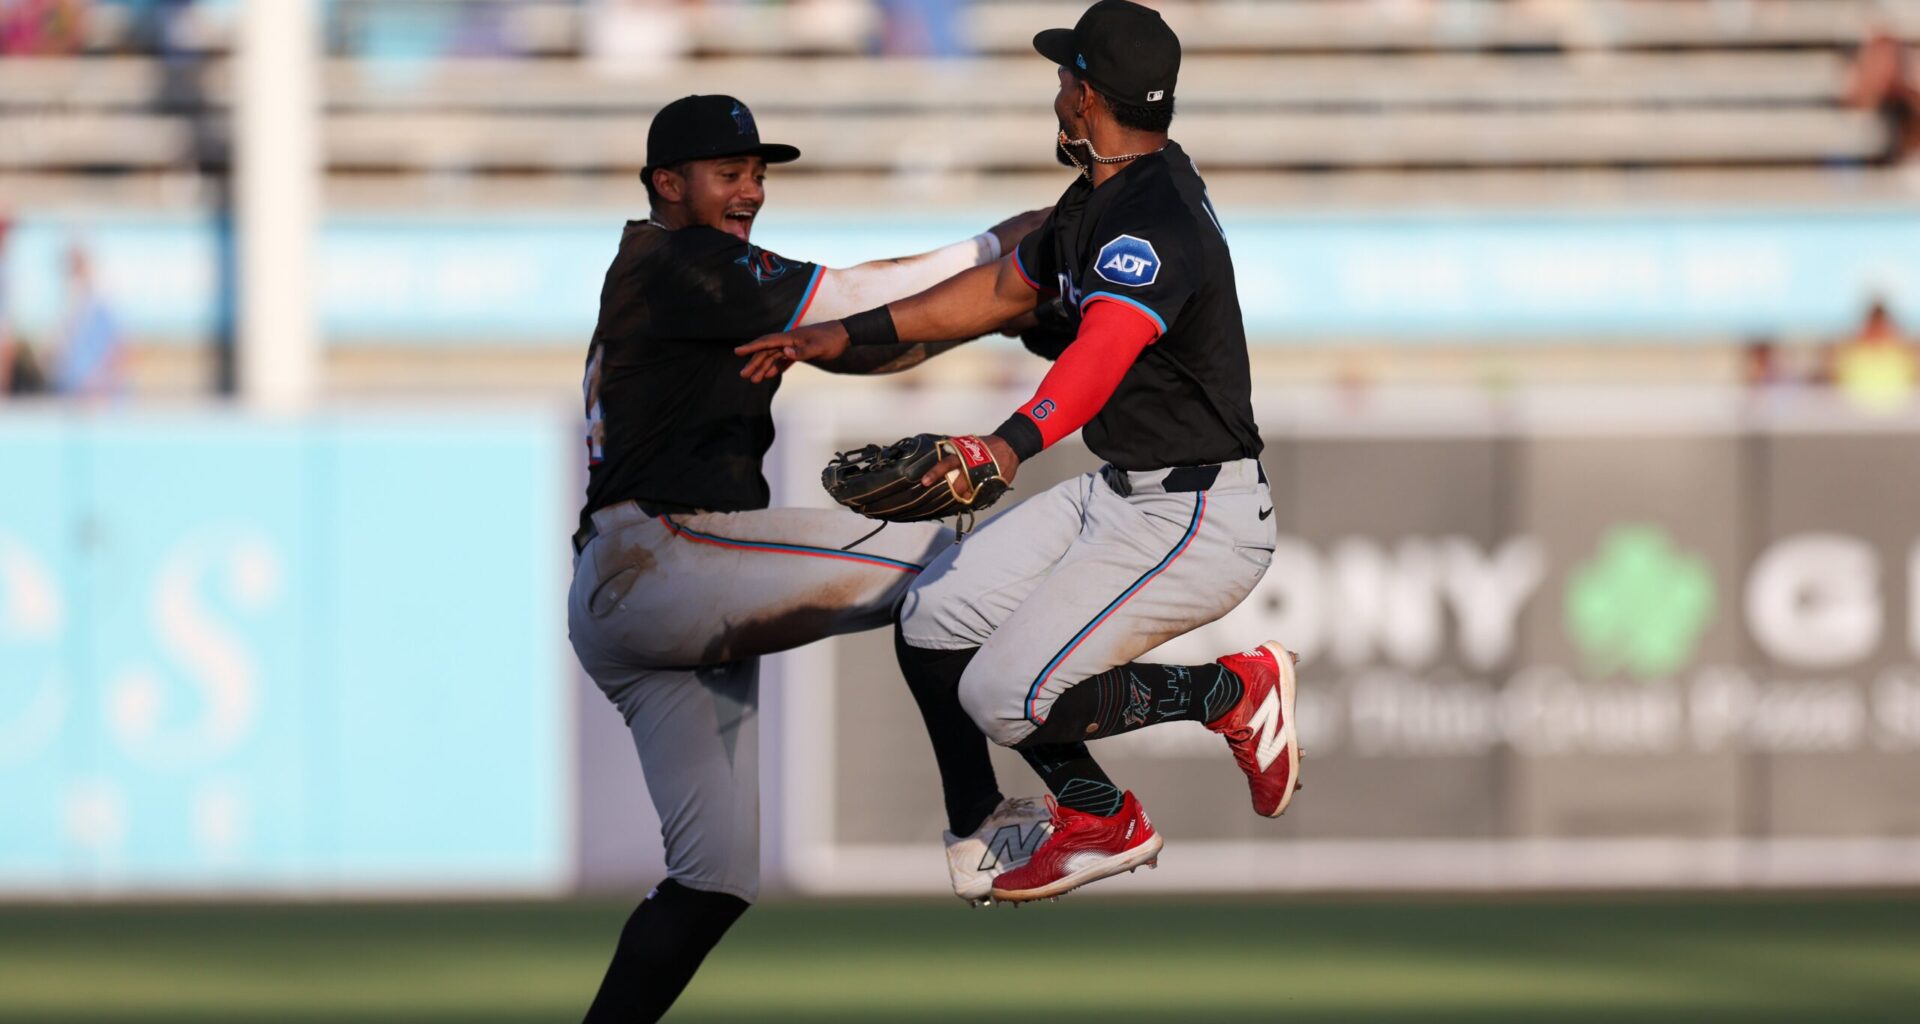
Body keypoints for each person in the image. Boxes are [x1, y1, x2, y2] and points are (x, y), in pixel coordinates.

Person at [737, 0, 1304, 904]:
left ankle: (1224, 699)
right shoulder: (1107, 195)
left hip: (1198, 513)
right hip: (1126, 492)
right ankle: (1037, 815)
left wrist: (1004, 447)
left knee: (1002, 693)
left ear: (1087, 95)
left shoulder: (1152, 220)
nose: (1057, 92)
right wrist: (833, 338)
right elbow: (993, 292)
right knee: (931, 620)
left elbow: (1098, 357)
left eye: (1063, 78)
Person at [566, 94, 1049, 1023]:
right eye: (727, 172)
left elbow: (869, 349)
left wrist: (987, 314)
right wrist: (1006, 251)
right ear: (668, 185)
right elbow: (862, 300)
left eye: (756, 173)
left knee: (713, 880)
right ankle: (981, 821)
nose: (748, 190)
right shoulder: (682, 260)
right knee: (935, 556)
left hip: (627, 597)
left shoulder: (680, 272)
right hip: (661, 557)